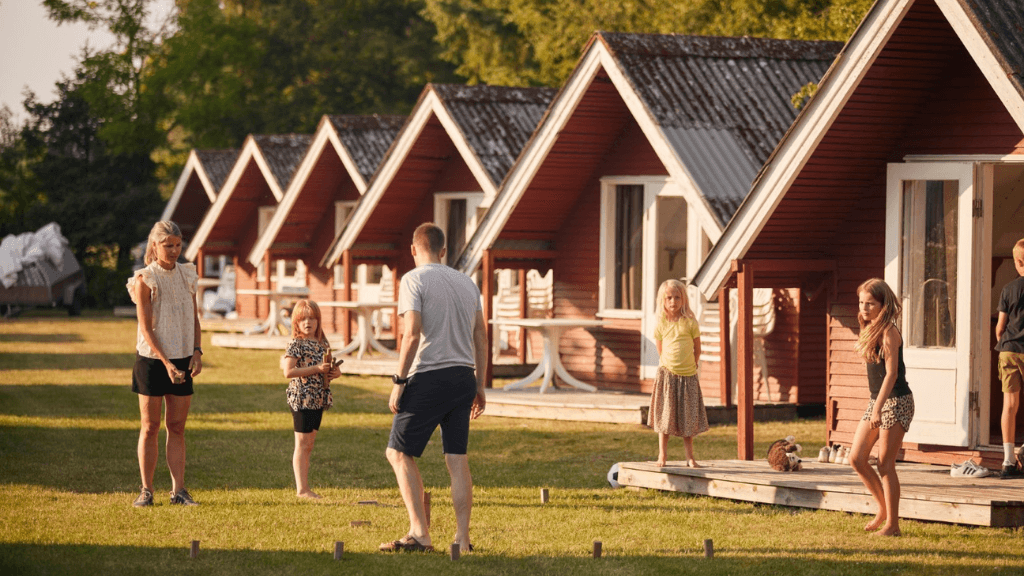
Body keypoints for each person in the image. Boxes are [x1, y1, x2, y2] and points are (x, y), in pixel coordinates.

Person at [379, 223, 487, 554]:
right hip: (463, 378)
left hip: (429, 377)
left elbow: (411, 333)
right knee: (457, 459)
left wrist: (398, 381)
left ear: (414, 249)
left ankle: (420, 534)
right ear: (443, 251)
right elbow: (480, 336)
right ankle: (462, 539)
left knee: (397, 452)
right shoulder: (467, 282)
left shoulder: (413, 279)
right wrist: (480, 385)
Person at [127, 221, 202, 507]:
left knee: (177, 426)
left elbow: (194, 318)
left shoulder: (188, 274)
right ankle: (146, 491)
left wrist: (196, 351)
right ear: (155, 246)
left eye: (177, 245)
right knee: (150, 426)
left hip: (183, 356)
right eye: (167, 245)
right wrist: (165, 362)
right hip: (152, 359)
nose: (173, 250)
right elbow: (145, 328)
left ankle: (179, 491)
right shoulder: (145, 278)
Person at [848, 278, 915, 536]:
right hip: (877, 401)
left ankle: (893, 525)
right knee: (857, 458)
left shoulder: (889, 332)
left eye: (870, 304)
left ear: (883, 304)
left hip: (896, 401)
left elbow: (891, 374)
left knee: (885, 463)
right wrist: (875, 405)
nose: (864, 308)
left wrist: (878, 408)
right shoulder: (870, 328)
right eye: (861, 303)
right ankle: (883, 510)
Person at [281, 300, 341, 498]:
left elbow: (329, 366)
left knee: (309, 443)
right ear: (296, 323)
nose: (308, 322)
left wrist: (334, 372)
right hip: (302, 398)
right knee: (302, 442)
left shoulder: (322, 344)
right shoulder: (296, 344)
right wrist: (316, 369)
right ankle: (302, 489)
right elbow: (288, 371)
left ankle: (305, 486)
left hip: (318, 397)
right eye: (303, 319)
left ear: (318, 321)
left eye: (312, 318)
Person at [648, 279, 709, 468]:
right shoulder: (661, 324)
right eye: (669, 298)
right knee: (665, 419)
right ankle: (662, 456)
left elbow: (697, 349)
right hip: (668, 377)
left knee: (687, 420)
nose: (673, 301)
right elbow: (660, 350)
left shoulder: (690, 323)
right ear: (663, 301)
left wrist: (692, 365)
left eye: (677, 297)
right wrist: (669, 366)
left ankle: (690, 457)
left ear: (683, 299)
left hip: (688, 377)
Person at [994, 239, 1024, 479]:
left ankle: (1007, 462)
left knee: (1010, 405)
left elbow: (1000, 327)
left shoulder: (1008, 289)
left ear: (1018, 262)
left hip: (1008, 350)